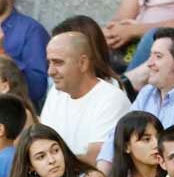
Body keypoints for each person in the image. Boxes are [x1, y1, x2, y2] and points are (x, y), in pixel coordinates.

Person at [39, 31, 133, 165]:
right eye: (49, 63)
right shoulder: (56, 92)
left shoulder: (111, 99)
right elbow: (40, 143)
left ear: (83, 63)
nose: (50, 71)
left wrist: (44, 162)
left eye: (58, 63)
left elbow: (95, 160)